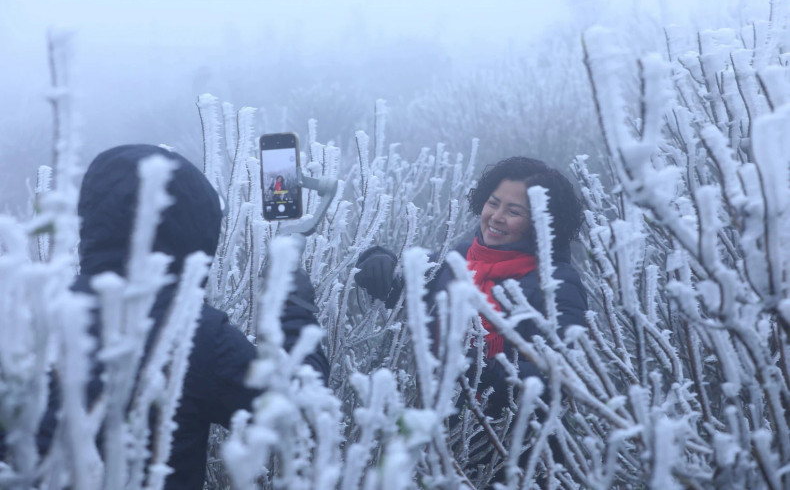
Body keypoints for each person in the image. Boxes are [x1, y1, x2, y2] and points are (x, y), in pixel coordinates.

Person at [42, 144, 329, 489]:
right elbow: (301, 407)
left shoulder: (29, 322)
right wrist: (289, 293)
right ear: (194, 228)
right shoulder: (195, 335)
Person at [355, 156, 587, 414]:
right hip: (435, 425)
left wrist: (479, 368)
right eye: (493, 203)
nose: (496, 217)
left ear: (542, 223)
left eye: (513, 212)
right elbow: (401, 280)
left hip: (508, 442)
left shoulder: (557, 284)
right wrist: (377, 259)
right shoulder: (459, 259)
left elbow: (561, 375)